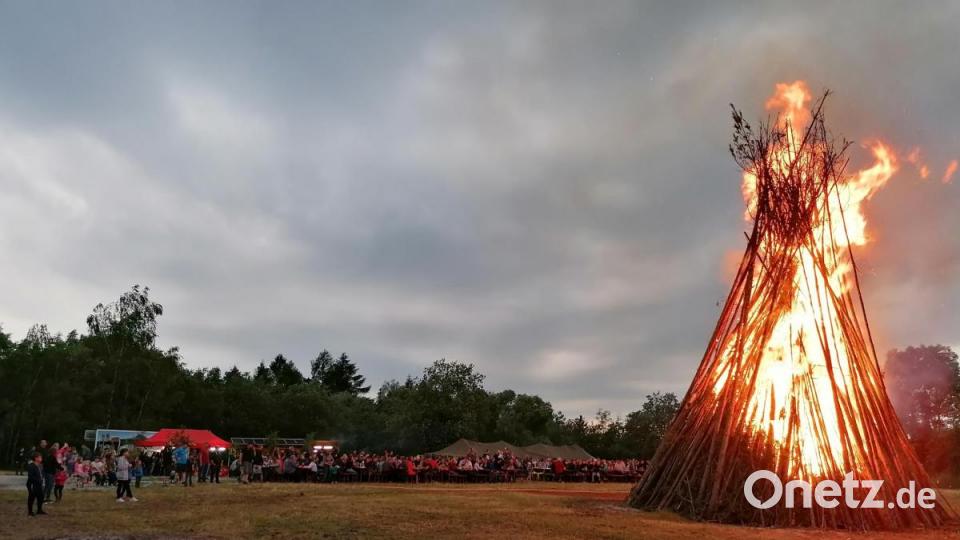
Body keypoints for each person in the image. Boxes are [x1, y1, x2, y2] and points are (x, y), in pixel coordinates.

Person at [26, 452, 46, 516]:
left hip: (39, 484)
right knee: (32, 497)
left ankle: (39, 510)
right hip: (33, 484)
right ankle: (30, 512)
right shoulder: (31, 466)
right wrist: (37, 480)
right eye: (40, 457)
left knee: (41, 497)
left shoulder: (39, 465)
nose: (41, 458)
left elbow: (40, 474)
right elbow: (31, 476)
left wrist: (41, 480)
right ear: (36, 458)